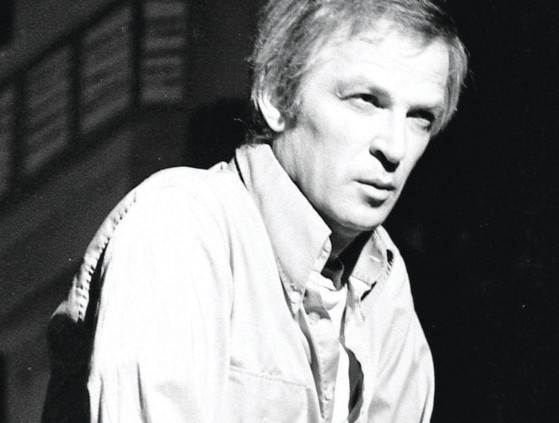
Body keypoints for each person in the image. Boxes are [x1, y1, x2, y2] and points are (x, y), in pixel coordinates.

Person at [43, 0, 468, 421]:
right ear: (276, 96)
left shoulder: (385, 284)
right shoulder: (182, 224)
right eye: (366, 100)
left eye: (420, 117)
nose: (395, 148)